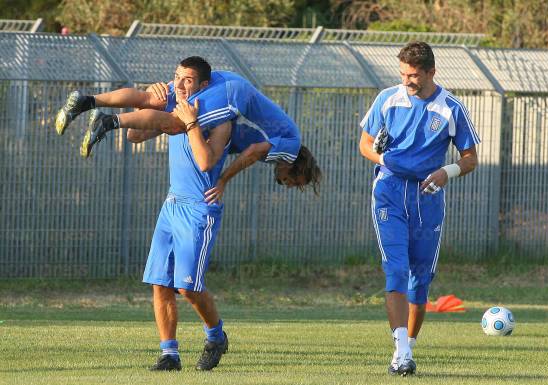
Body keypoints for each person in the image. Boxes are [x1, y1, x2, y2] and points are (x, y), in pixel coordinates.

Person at [59, 56, 233, 371]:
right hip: (172, 204)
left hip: (199, 208)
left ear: (204, 85)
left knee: (188, 286)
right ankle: (169, 354)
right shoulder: (171, 107)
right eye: (177, 77)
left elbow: (206, 162)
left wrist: (190, 122)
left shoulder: (220, 117)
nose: (180, 84)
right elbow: (135, 136)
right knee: (160, 283)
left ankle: (217, 335)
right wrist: (149, 104)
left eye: (189, 80)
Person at [358, 41, 480, 376]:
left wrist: (446, 172)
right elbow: (365, 144)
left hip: (428, 196)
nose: (407, 81)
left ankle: (407, 348)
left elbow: (470, 159)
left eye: (413, 75)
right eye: (403, 74)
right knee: (395, 270)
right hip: (389, 192)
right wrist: (385, 158)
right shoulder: (387, 99)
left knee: (420, 280)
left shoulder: (451, 107)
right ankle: (400, 353)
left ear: (430, 72)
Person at [55, 71, 321, 197]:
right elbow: (251, 152)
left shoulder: (278, 146)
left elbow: (239, 143)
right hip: (231, 94)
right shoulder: (290, 149)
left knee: (140, 124)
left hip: (223, 89)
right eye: (291, 182)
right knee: (180, 123)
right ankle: (106, 121)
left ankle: (87, 101)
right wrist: (224, 181)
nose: (285, 183)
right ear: (298, 169)